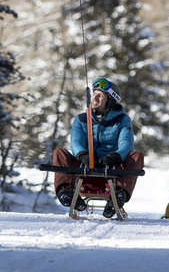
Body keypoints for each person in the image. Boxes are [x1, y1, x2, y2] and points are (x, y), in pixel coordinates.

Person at [53, 77, 144, 218]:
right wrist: (82, 154)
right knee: (59, 153)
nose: (95, 98)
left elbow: (126, 142)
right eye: (94, 94)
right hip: (84, 167)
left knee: (137, 156)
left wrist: (115, 156)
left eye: (100, 95)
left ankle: (119, 195)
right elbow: (76, 140)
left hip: (111, 170)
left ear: (110, 100)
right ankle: (67, 193)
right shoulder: (82, 119)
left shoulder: (122, 120)